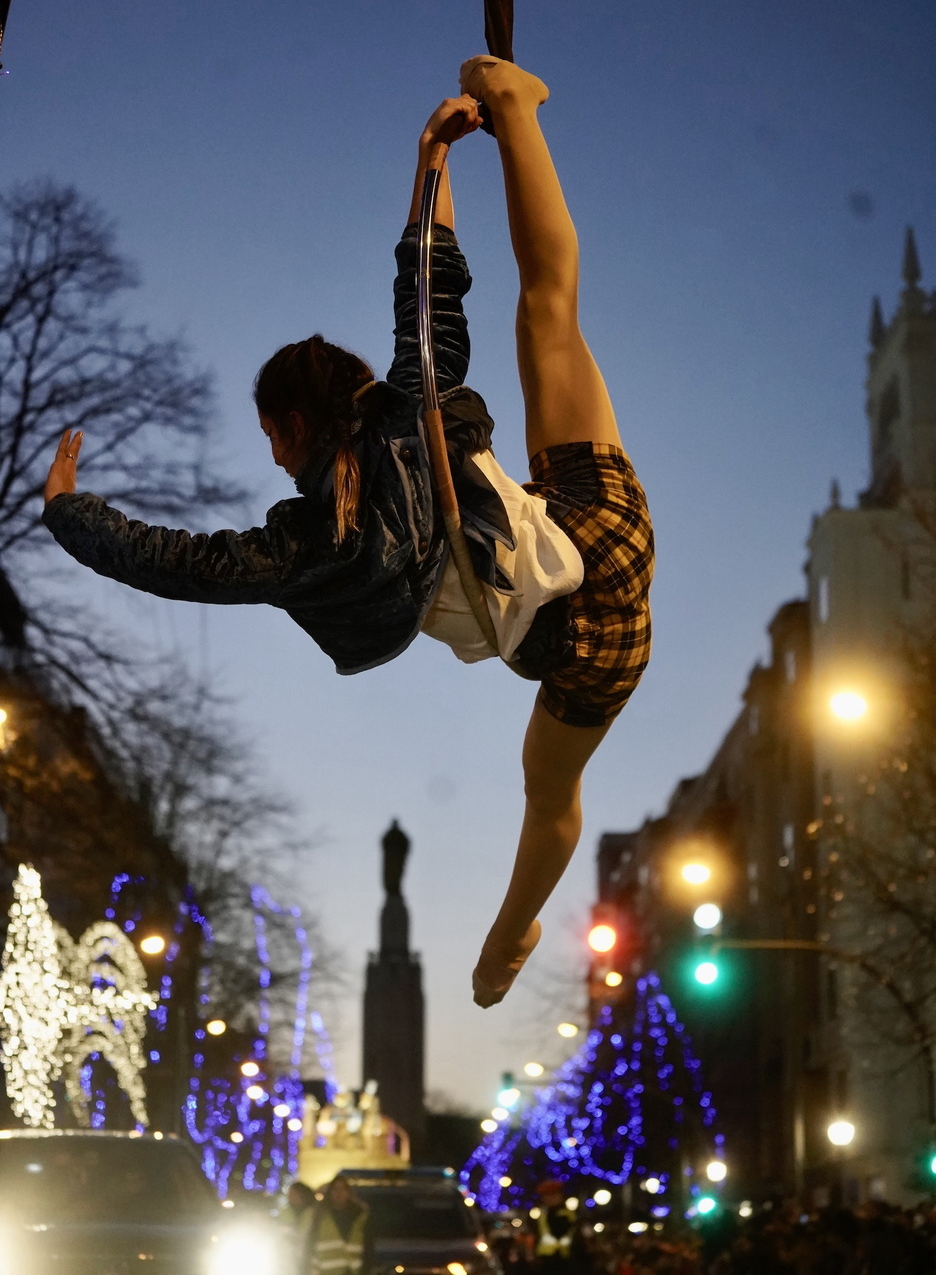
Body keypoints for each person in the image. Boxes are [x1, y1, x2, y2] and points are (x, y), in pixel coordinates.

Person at [42, 58, 653, 1006]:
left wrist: (70, 517)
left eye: (272, 439)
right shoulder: (406, 409)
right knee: (552, 309)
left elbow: (184, 565)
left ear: (294, 425)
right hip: (590, 520)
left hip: (584, 636)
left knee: (549, 798)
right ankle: (521, 111)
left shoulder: (307, 543)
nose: (275, 461)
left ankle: (507, 933)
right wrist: (433, 163)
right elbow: (430, 294)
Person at [308, 1175, 371, 1275]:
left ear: (348, 1193)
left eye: (342, 1189)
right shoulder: (320, 1217)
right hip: (327, 1271)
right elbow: (310, 1247)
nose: (339, 1192)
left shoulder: (360, 1217)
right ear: (329, 1193)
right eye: (335, 1189)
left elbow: (368, 1249)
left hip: (353, 1271)